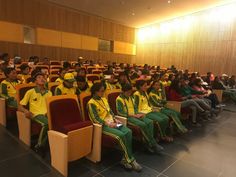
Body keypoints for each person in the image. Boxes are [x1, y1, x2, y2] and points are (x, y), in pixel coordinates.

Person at [87, 83, 142, 171]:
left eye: (103, 91)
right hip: (103, 126)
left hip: (113, 122)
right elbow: (95, 119)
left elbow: (110, 112)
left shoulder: (104, 99)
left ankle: (125, 159)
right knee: (120, 135)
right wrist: (108, 124)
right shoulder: (91, 103)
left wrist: (115, 119)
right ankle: (131, 160)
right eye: (101, 91)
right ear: (95, 92)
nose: (103, 93)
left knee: (128, 131)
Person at [116, 84, 164, 153]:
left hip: (135, 115)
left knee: (149, 122)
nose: (129, 94)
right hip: (127, 117)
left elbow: (135, 107)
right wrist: (133, 115)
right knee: (142, 124)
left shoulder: (130, 97)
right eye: (127, 92)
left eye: (130, 92)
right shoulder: (119, 99)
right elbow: (120, 113)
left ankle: (148, 143)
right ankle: (152, 144)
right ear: (123, 91)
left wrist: (138, 114)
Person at [18, 69, 52, 154]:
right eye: (39, 77)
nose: (42, 79)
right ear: (35, 81)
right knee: (46, 123)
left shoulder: (49, 93)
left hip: (47, 114)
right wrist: (26, 111)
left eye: (43, 77)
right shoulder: (30, 92)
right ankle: (39, 146)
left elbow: (50, 106)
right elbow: (20, 106)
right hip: (35, 114)